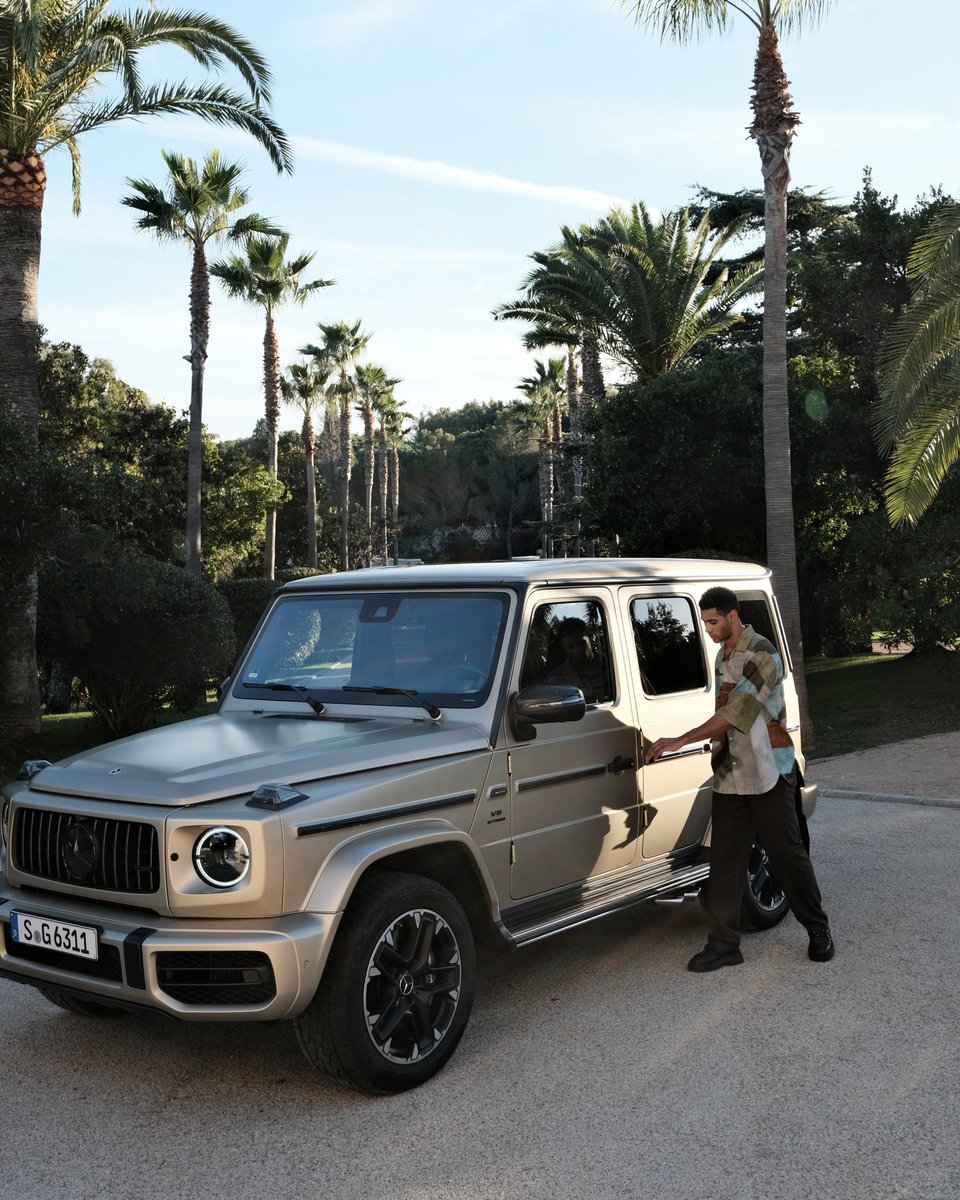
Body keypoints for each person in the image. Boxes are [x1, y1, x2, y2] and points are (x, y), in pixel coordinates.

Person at [644, 586, 834, 973]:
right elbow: (722, 714)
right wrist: (712, 751)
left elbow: (737, 712)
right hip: (731, 773)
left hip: (767, 772)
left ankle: (818, 929)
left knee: (786, 855)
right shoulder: (722, 656)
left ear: (732, 616)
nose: (708, 629)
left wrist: (679, 740)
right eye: (705, 622)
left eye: (712, 621)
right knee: (725, 862)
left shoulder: (762, 653)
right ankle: (724, 944)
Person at [546, 617, 610, 703]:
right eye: (570, 646)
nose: (577, 650)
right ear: (563, 646)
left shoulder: (612, 666)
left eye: (581, 643)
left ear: (592, 637)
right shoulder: (557, 679)